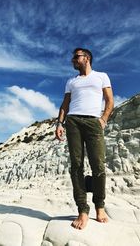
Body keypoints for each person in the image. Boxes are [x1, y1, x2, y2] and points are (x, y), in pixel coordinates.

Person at [55, 48, 114, 229]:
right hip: (73, 122)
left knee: (98, 165)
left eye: (76, 57)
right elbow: (65, 104)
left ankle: (99, 206)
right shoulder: (71, 81)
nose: (73, 60)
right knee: (76, 166)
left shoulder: (101, 76)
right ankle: (82, 209)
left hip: (93, 123)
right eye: (73, 57)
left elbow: (109, 100)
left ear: (86, 58)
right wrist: (59, 123)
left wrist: (103, 119)